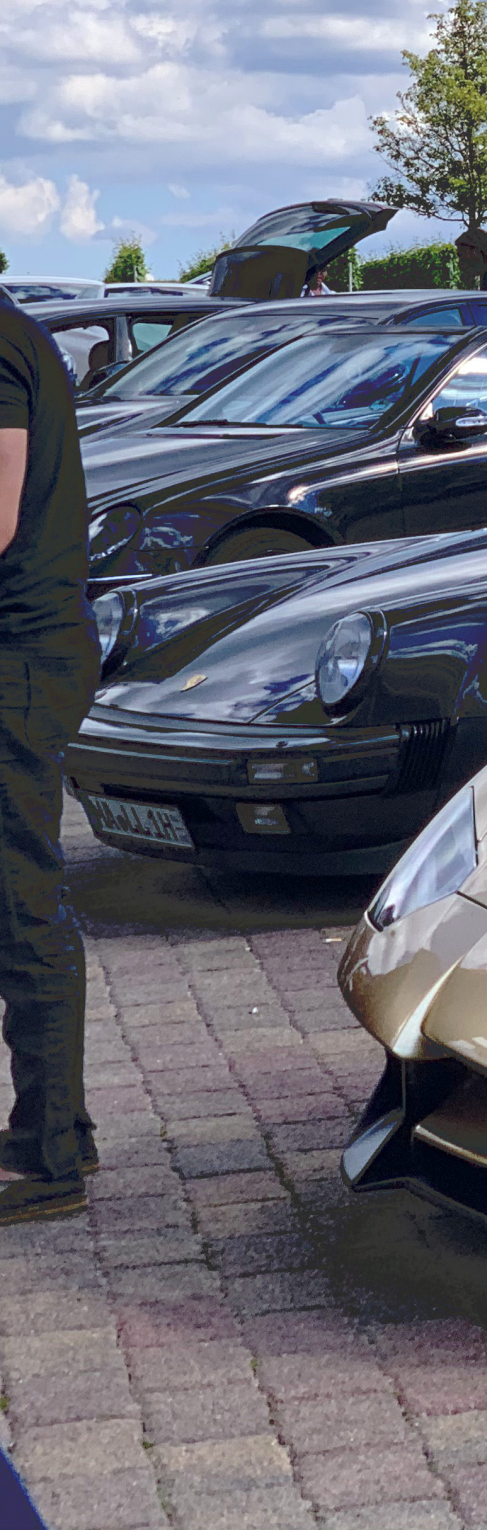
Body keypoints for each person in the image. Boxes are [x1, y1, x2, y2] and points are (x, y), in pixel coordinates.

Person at [0, 287, 98, 1222]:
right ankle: (59, 1121)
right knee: (22, 890)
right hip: (39, 648)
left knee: (21, 896)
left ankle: (47, 1158)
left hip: (18, 660)